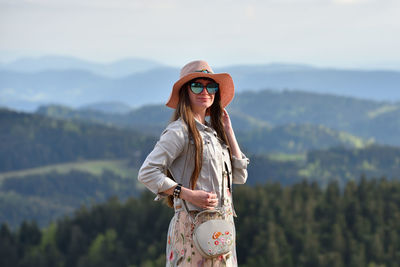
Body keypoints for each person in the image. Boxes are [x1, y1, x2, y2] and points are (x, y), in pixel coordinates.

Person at [138, 60, 249, 267]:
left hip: (221, 232)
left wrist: (229, 132)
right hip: (192, 231)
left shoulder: (214, 133)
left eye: (211, 86)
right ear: (185, 93)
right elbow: (147, 172)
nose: (204, 91)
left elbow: (240, 177)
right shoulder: (178, 132)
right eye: (197, 85)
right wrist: (187, 194)